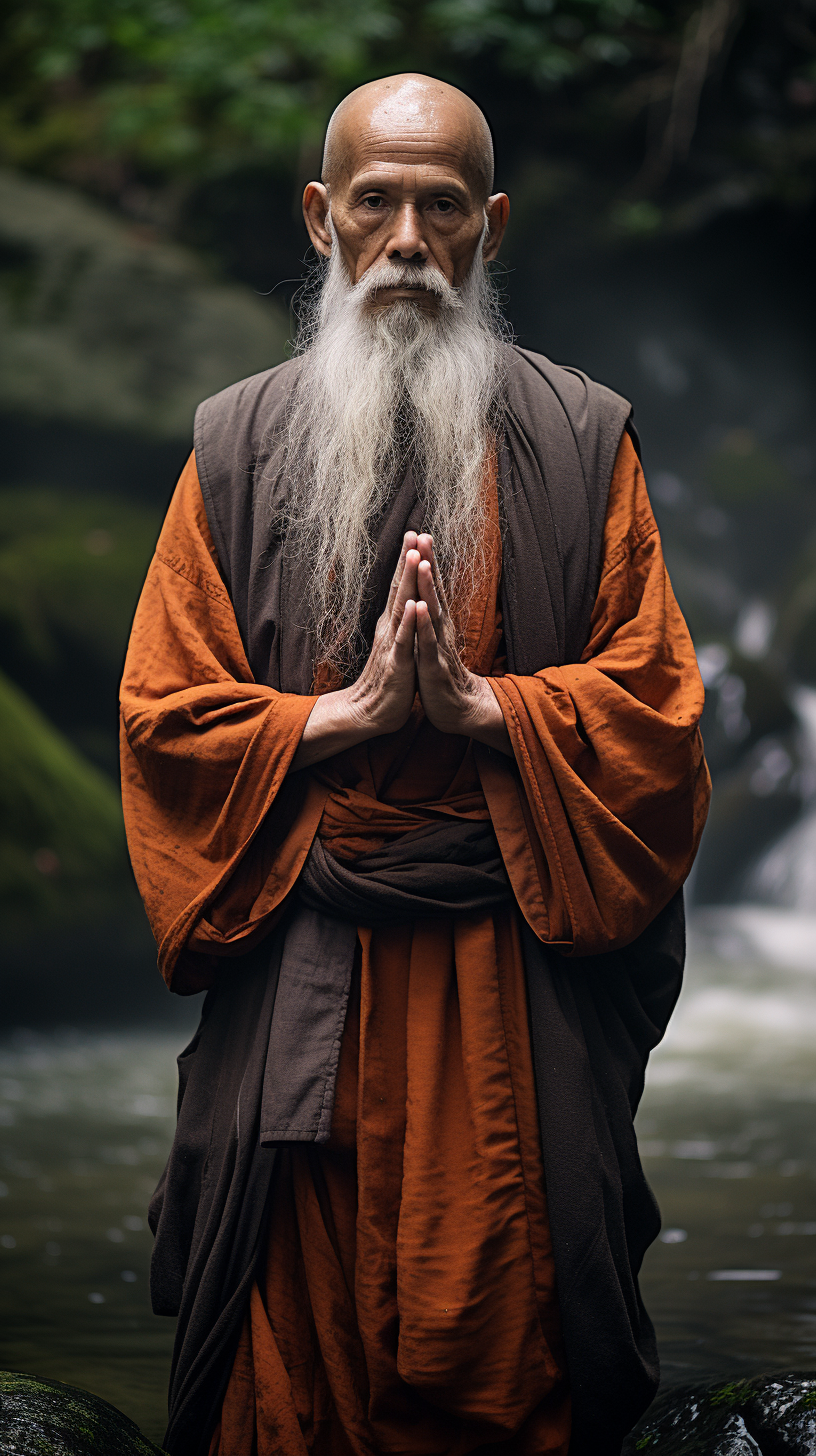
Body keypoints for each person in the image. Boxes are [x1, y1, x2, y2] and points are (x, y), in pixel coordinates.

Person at [120, 72, 710, 1456]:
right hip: (307, 987)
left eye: (440, 207)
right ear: (321, 216)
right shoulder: (233, 445)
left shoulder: (582, 441)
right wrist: (347, 717)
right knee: (290, 1391)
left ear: (488, 226)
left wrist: (493, 710)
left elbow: (659, 717)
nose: (405, 238)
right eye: (374, 202)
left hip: (509, 989)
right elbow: (164, 717)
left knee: (512, 1360)